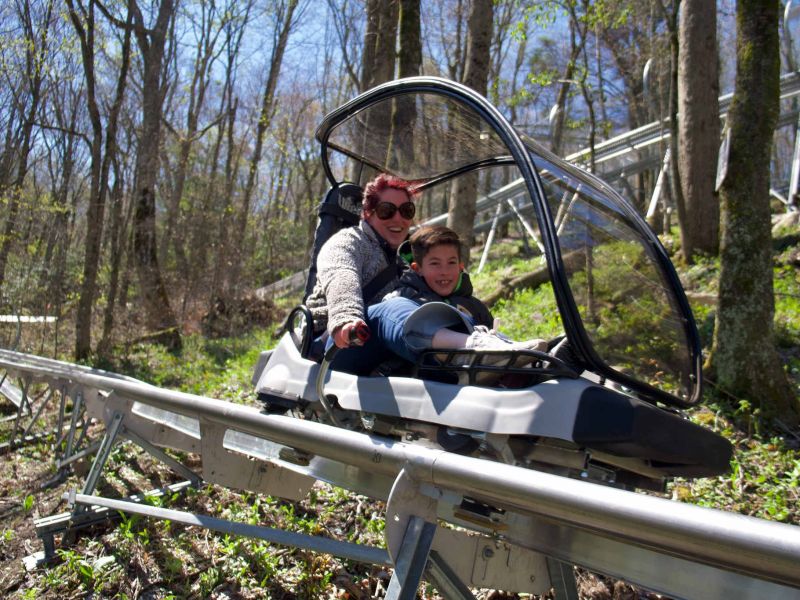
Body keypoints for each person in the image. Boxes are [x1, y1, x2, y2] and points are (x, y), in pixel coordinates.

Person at [305, 173, 418, 374]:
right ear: (368, 213)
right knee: (392, 307)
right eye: (387, 211)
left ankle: (475, 353)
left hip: (389, 345)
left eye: (406, 211)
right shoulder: (347, 242)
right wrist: (346, 318)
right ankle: (448, 354)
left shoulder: (411, 256)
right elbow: (341, 276)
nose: (398, 218)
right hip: (342, 340)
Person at [382, 225, 547, 358]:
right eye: (435, 264)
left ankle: (535, 357)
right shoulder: (406, 298)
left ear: (461, 266)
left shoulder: (473, 305)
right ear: (418, 269)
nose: (444, 271)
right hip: (432, 372)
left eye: (451, 263)